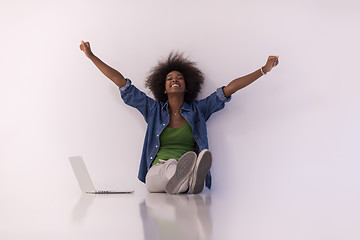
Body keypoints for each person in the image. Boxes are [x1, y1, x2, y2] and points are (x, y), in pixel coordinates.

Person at [80, 40, 279, 194]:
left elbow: (229, 88)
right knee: (157, 178)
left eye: (179, 78)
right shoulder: (153, 109)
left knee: (176, 182)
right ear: (164, 89)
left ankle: (186, 177)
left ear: (186, 86)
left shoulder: (199, 109)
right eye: (170, 79)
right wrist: (91, 55)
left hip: (182, 169)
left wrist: (264, 70)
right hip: (158, 170)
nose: (175, 80)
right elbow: (122, 83)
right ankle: (189, 176)